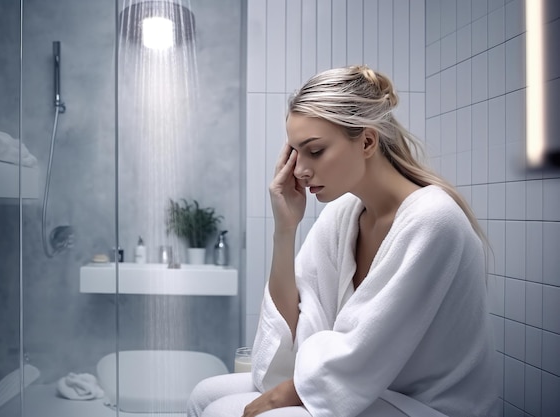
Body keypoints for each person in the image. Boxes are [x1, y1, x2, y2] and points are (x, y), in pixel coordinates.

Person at [186, 65, 498, 417]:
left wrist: (270, 401)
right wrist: (284, 229)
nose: (300, 170)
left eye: (314, 151)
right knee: (205, 394)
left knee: (242, 413)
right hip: (371, 388)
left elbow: (362, 354)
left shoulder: (431, 220)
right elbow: (294, 331)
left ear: (366, 141)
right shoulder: (345, 214)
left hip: (425, 405)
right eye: (294, 152)